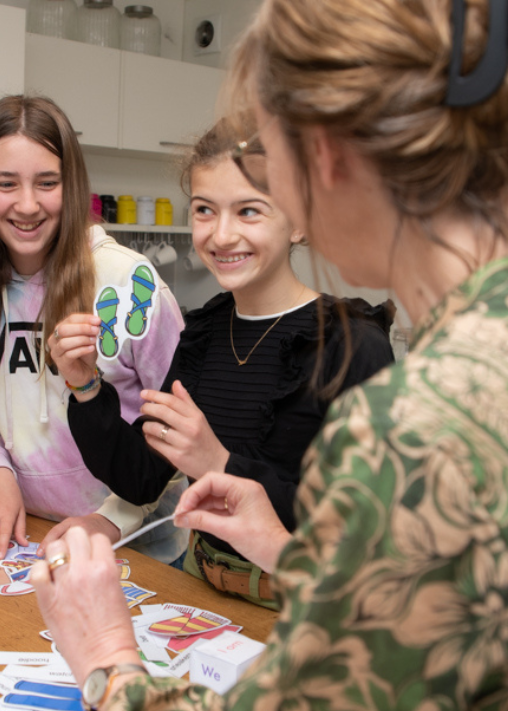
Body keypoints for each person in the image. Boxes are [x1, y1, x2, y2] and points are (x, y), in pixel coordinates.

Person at [32, 0, 508, 711]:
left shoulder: (416, 428)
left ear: (319, 157)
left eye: (265, 168)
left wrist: (107, 660)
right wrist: (294, 556)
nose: (226, 226)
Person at [47, 115, 395, 607]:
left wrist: (218, 462)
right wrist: (84, 386)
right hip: (198, 586)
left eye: (249, 211)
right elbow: (140, 478)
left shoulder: (355, 346)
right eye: (205, 210)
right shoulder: (203, 335)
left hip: (303, 606)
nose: (221, 235)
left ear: (298, 222)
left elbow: (365, 532)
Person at [0, 94, 188, 565]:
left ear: (70, 185)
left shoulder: (128, 283)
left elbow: (179, 427)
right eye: (6, 183)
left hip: (139, 551)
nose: (28, 204)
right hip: (28, 540)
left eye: (47, 182)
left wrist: (110, 518)